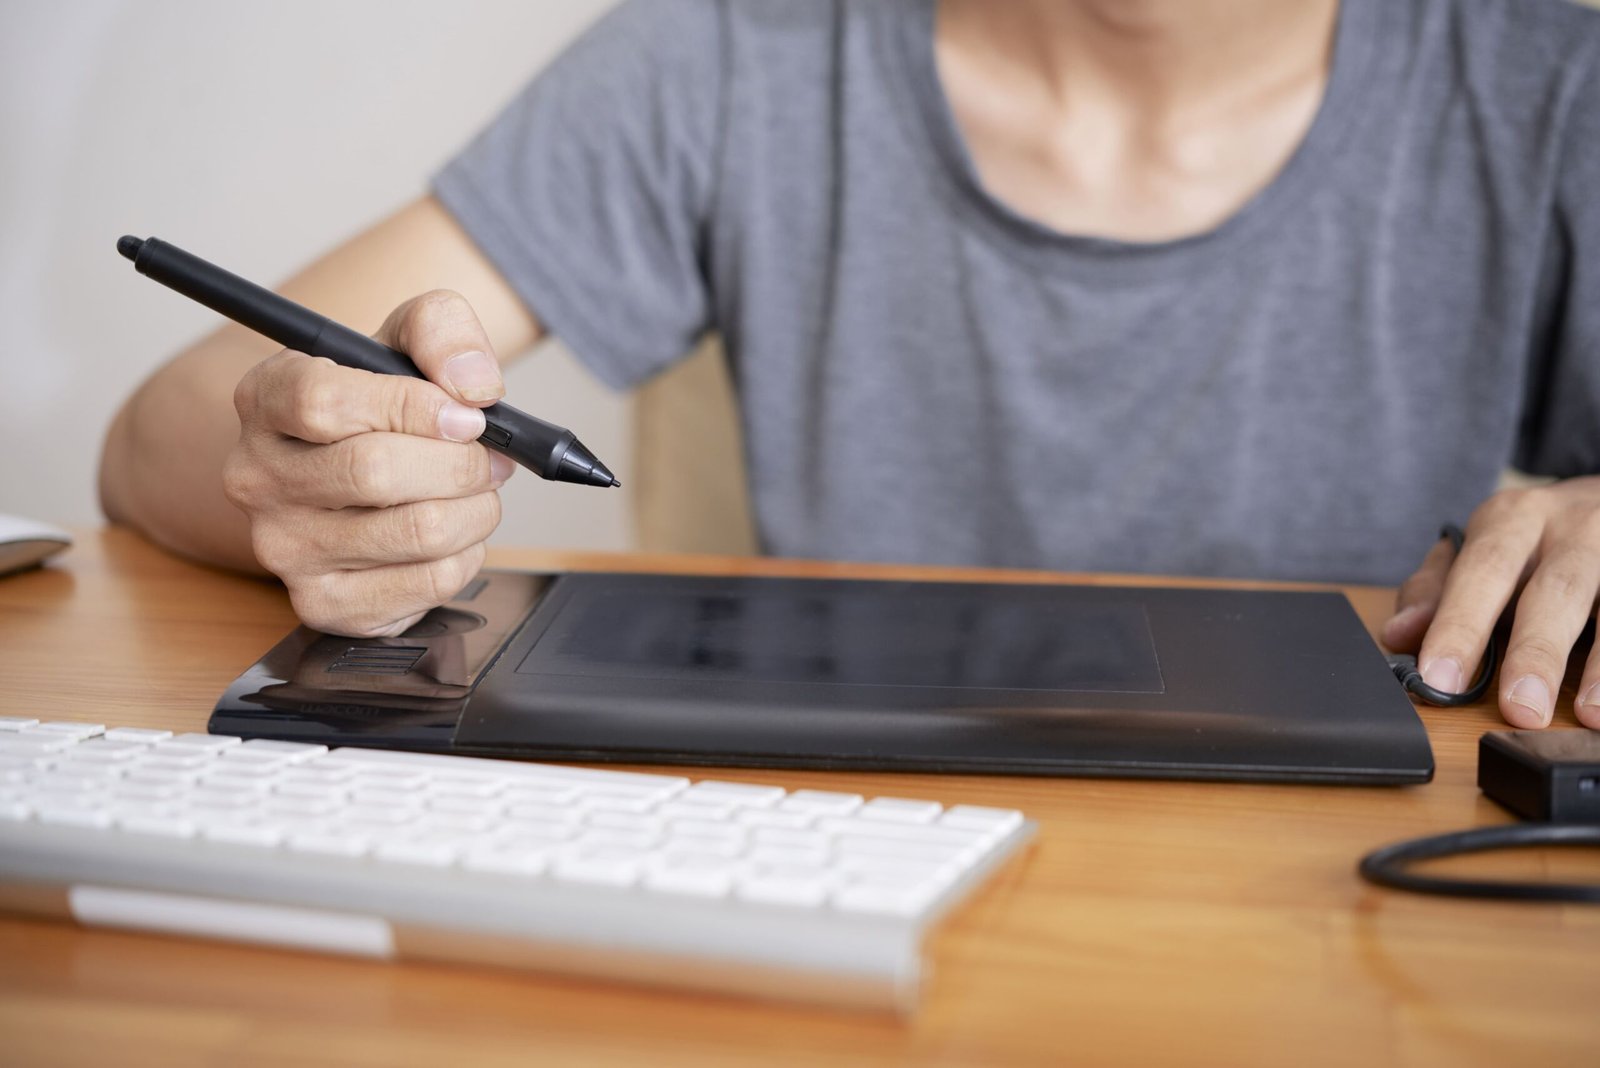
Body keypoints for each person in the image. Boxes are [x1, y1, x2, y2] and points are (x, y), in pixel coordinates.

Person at [100, 0, 1600, 731]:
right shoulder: (740, 48)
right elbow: (160, 439)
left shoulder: (1550, 87)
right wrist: (324, 468)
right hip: (845, 858)